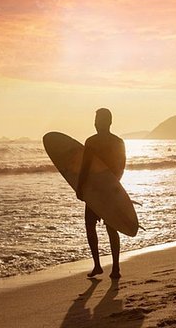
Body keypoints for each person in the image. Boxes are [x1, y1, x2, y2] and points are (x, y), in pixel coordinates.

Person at [76, 108, 126, 279]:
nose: (96, 123)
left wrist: (80, 188)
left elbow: (85, 167)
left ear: (108, 122)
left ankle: (101, 266)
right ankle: (113, 268)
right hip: (109, 190)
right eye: (96, 120)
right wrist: (113, 186)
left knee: (95, 227)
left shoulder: (91, 142)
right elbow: (121, 168)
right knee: (108, 228)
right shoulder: (118, 142)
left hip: (96, 191)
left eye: (99, 120)